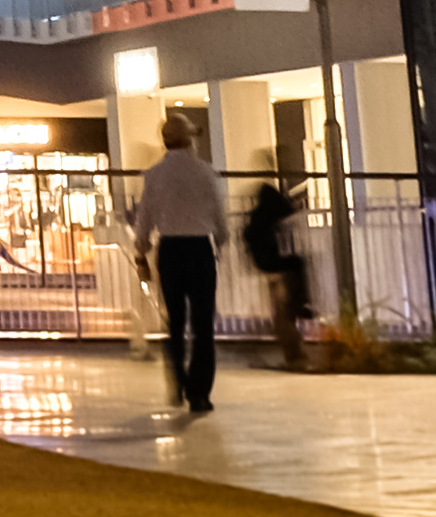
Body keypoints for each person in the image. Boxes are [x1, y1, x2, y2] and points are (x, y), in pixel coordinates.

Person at [134, 108, 225, 416]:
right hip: (200, 249)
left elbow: (144, 217)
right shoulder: (205, 172)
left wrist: (140, 252)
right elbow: (218, 214)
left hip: (169, 249)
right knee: (202, 325)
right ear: (188, 140)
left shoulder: (154, 175)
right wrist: (221, 243)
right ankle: (199, 393)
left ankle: (178, 380)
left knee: (176, 321)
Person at [240, 163, 315, 367]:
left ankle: (293, 353)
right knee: (284, 309)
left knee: (281, 311)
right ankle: (295, 355)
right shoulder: (269, 220)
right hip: (276, 267)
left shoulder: (257, 221)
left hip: (267, 266)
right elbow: (286, 210)